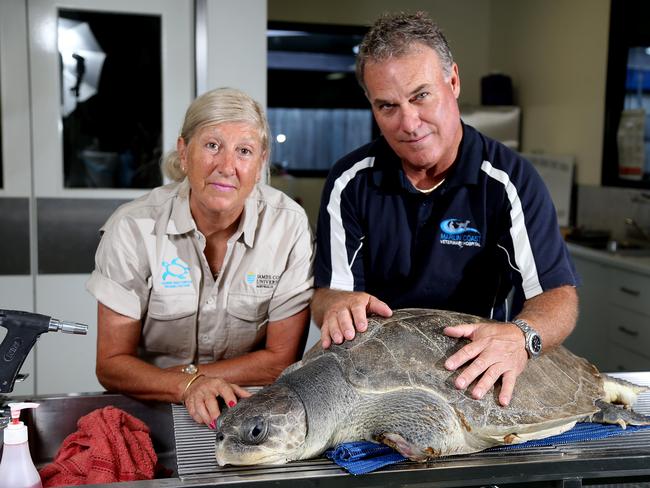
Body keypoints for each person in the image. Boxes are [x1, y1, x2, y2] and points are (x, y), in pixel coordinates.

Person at [312, 12, 579, 407]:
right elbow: (328, 293)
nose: (409, 123)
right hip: (374, 377)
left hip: (472, 374)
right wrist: (334, 305)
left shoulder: (508, 180)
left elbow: (558, 296)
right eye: (387, 107)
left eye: (421, 96)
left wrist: (522, 336)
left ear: (452, 81)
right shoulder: (350, 181)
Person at [87, 87, 314, 427]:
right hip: (151, 410)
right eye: (212, 146)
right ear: (183, 150)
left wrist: (192, 377)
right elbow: (112, 363)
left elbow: (279, 361)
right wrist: (187, 386)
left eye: (244, 151)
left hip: (251, 411)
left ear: (261, 161)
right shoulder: (133, 227)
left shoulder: (289, 226)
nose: (227, 166)